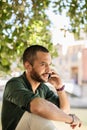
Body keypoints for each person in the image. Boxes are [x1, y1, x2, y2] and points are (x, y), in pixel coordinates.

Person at [1, 45, 82, 130]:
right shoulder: (14, 84)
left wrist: (59, 88)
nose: (48, 70)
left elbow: (64, 111)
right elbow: (38, 106)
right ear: (28, 66)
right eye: (43, 64)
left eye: (49, 65)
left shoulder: (43, 88)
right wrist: (71, 119)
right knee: (36, 114)